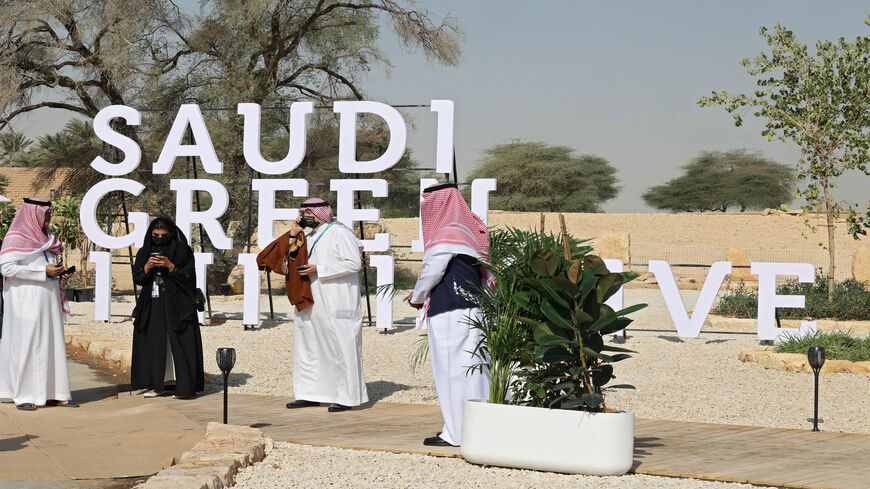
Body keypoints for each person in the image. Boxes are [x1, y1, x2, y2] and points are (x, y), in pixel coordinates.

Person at [408, 183, 490, 447]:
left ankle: (456, 433)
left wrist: (416, 297)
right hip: (474, 308)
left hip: (451, 312)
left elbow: (432, 272)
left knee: (451, 372)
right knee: (474, 371)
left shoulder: (447, 232)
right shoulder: (471, 230)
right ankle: (478, 429)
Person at [283, 198, 368, 413]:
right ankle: (310, 394)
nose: (306, 217)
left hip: (336, 297)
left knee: (339, 345)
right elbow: (289, 258)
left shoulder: (339, 232)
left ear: (322, 213)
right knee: (309, 345)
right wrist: (293, 233)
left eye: (309, 213)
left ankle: (345, 397)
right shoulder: (306, 235)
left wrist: (318, 268)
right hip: (310, 297)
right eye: (303, 213)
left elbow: (353, 263)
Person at [0, 197, 76, 410]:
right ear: (33, 215)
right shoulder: (15, 237)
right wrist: (42, 272)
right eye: (46, 216)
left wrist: (58, 274)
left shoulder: (48, 238)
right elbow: (6, 269)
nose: (49, 220)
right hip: (26, 301)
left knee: (52, 344)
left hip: (48, 300)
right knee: (28, 344)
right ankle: (25, 395)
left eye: (50, 216)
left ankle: (55, 393)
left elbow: (48, 264)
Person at [131, 217, 204, 399]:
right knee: (154, 342)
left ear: (171, 235)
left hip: (178, 303)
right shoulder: (145, 251)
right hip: (153, 303)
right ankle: (156, 385)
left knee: (179, 342)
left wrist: (171, 266)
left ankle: (184, 388)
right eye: (156, 235)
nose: (159, 238)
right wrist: (147, 267)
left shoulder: (182, 251)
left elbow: (190, 276)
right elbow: (138, 278)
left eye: (164, 235)